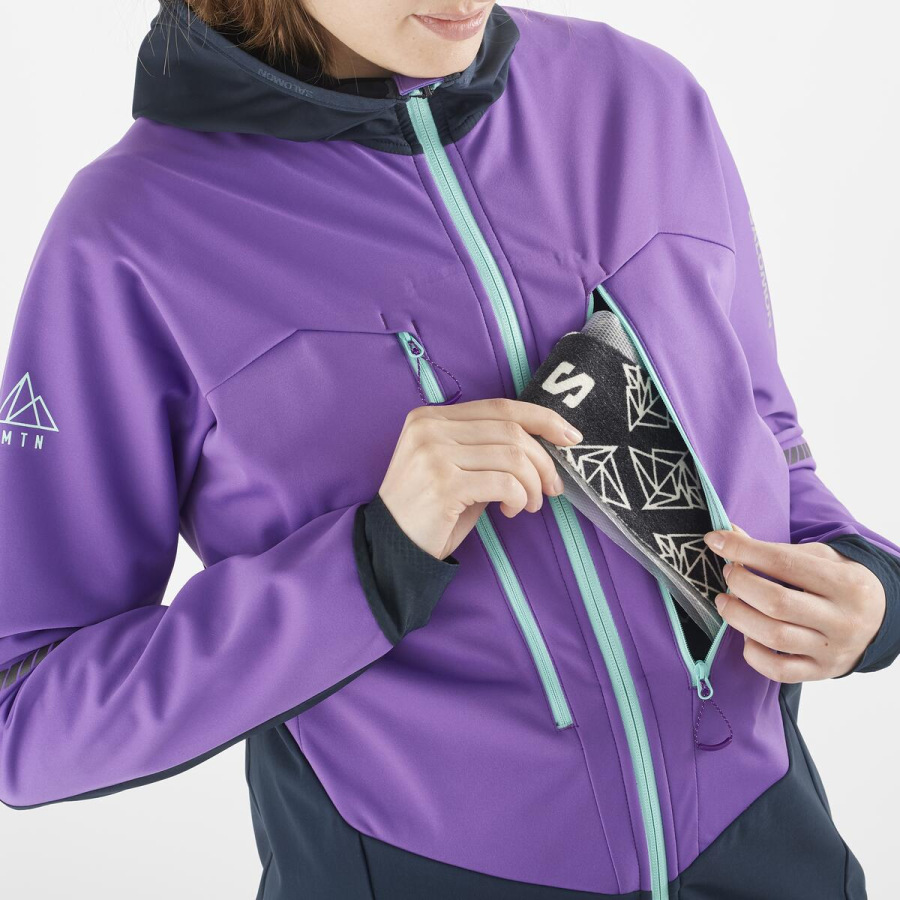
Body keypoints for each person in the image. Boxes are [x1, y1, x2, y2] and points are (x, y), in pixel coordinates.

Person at [0, 1, 897, 897]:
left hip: (770, 848)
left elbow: (762, 437)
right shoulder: (132, 233)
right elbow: (27, 716)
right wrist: (371, 562)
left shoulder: (641, 98)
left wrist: (863, 581)